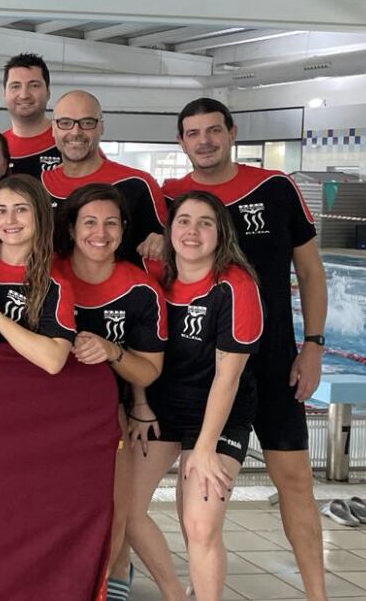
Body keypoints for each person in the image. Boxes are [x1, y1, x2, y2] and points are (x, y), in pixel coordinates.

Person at [161, 97, 328, 600]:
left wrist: (314, 345)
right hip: (203, 369)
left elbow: (310, 271)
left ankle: (317, 593)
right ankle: (201, 582)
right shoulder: (171, 198)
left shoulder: (275, 187)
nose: (205, 141)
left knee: (294, 480)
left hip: (274, 362)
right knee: (197, 488)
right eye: (193, 133)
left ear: (232, 133)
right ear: (181, 141)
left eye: (214, 130)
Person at [126, 191, 263, 601]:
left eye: (206, 223)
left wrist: (204, 447)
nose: (192, 231)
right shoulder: (152, 273)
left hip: (219, 414)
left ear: (222, 234)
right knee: (125, 511)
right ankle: (174, 593)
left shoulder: (236, 286)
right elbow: (136, 346)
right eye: (184, 221)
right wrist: (140, 404)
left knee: (200, 524)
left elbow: (228, 376)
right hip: (161, 409)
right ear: (169, 230)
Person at [54, 183, 166, 601]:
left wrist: (111, 351)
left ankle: (106, 581)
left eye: (111, 223)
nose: (100, 233)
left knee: (112, 506)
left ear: (123, 230)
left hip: (107, 415)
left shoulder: (140, 290)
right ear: (71, 229)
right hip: (47, 414)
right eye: (89, 222)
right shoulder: (46, 274)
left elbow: (149, 370)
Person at [0, 174, 77, 374]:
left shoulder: (55, 284)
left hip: (17, 382)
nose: (10, 220)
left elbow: (53, 361)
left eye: (21, 209)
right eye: (1, 211)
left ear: (40, 214)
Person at [41, 90, 166, 265]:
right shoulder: (38, 187)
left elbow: (165, 245)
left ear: (101, 127)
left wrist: (165, 243)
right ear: (53, 128)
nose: (76, 131)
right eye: (65, 123)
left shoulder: (138, 184)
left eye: (87, 123)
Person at [1, 53, 61, 177]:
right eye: (15, 86)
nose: (24, 95)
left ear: (48, 92)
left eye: (34, 85)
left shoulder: (70, 140)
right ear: (4, 93)